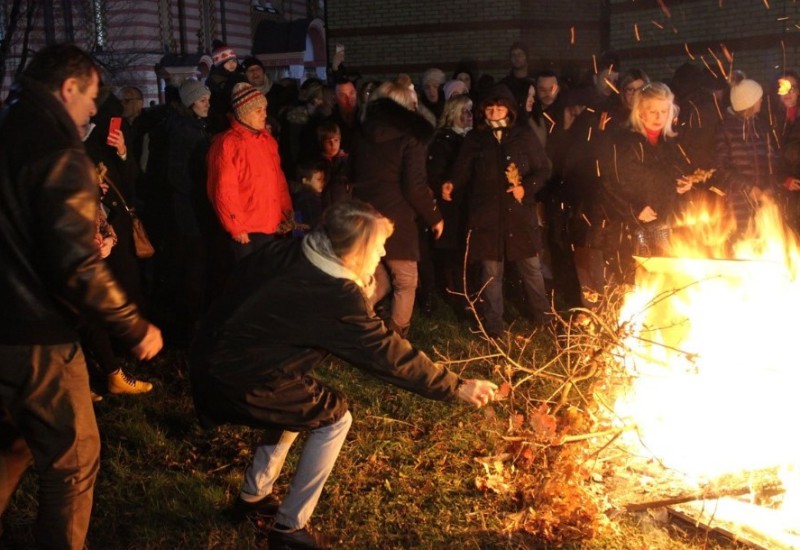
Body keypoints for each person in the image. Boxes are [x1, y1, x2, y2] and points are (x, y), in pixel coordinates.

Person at [190, 198, 497, 549]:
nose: (382, 254)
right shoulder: (334, 294)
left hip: (215, 353)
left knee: (297, 406)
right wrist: (455, 386)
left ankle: (253, 497)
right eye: (378, 246)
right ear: (353, 250)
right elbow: (388, 354)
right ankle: (289, 529)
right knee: (335, 417)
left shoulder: (291, 251)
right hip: (238, 376)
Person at [0, 43, 163, 549]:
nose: (96, 108)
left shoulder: (7, 132)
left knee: (14, 441)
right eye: (92, 96)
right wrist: (133, 326)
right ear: (68, 89)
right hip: (37, 336)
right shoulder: (58, 150)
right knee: (74, 459)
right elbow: (75, 263)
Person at [443, 84, 552, 337]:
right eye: (489, 108)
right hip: (488, 217)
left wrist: (526, 188)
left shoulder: (522, 136)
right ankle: (494, 328)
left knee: (532, 269)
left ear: (510, 109)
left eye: (500, 107)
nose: (494, 112)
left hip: (519, 217)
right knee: (491, 273)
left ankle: (545, 320)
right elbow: (462, 169)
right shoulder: (476, 139)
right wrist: (451, 183)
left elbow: (543, 169)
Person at [351, 78, 444, 337]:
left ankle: (353, 325)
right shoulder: (410, 139)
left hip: (364, 216)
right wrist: (434, 216)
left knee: (378, 280)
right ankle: (396, 340)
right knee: (405, 281)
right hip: (397, 221)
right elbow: (414, 186)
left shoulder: (361, 133)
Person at [207, 82, 294, 261]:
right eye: (258, 110)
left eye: (265, 109)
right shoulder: (228, 143)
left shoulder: (266, 140)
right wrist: (236, 226)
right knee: (249, 280)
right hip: (247, 231)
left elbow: (278, 181)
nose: (265, 114)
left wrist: (285, 212)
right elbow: (223, 190)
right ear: (244, 113)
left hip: (270, 225)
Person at [614, 82, 697, 257]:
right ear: (640, 112)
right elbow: (616, 183)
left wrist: (683, 183)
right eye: (653, 112)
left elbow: (675, 172)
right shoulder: (627, 143)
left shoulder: (670, 143)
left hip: (664, 224)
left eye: (664, 111)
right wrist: (636, 208)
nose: (659, 117)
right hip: (634, 227)